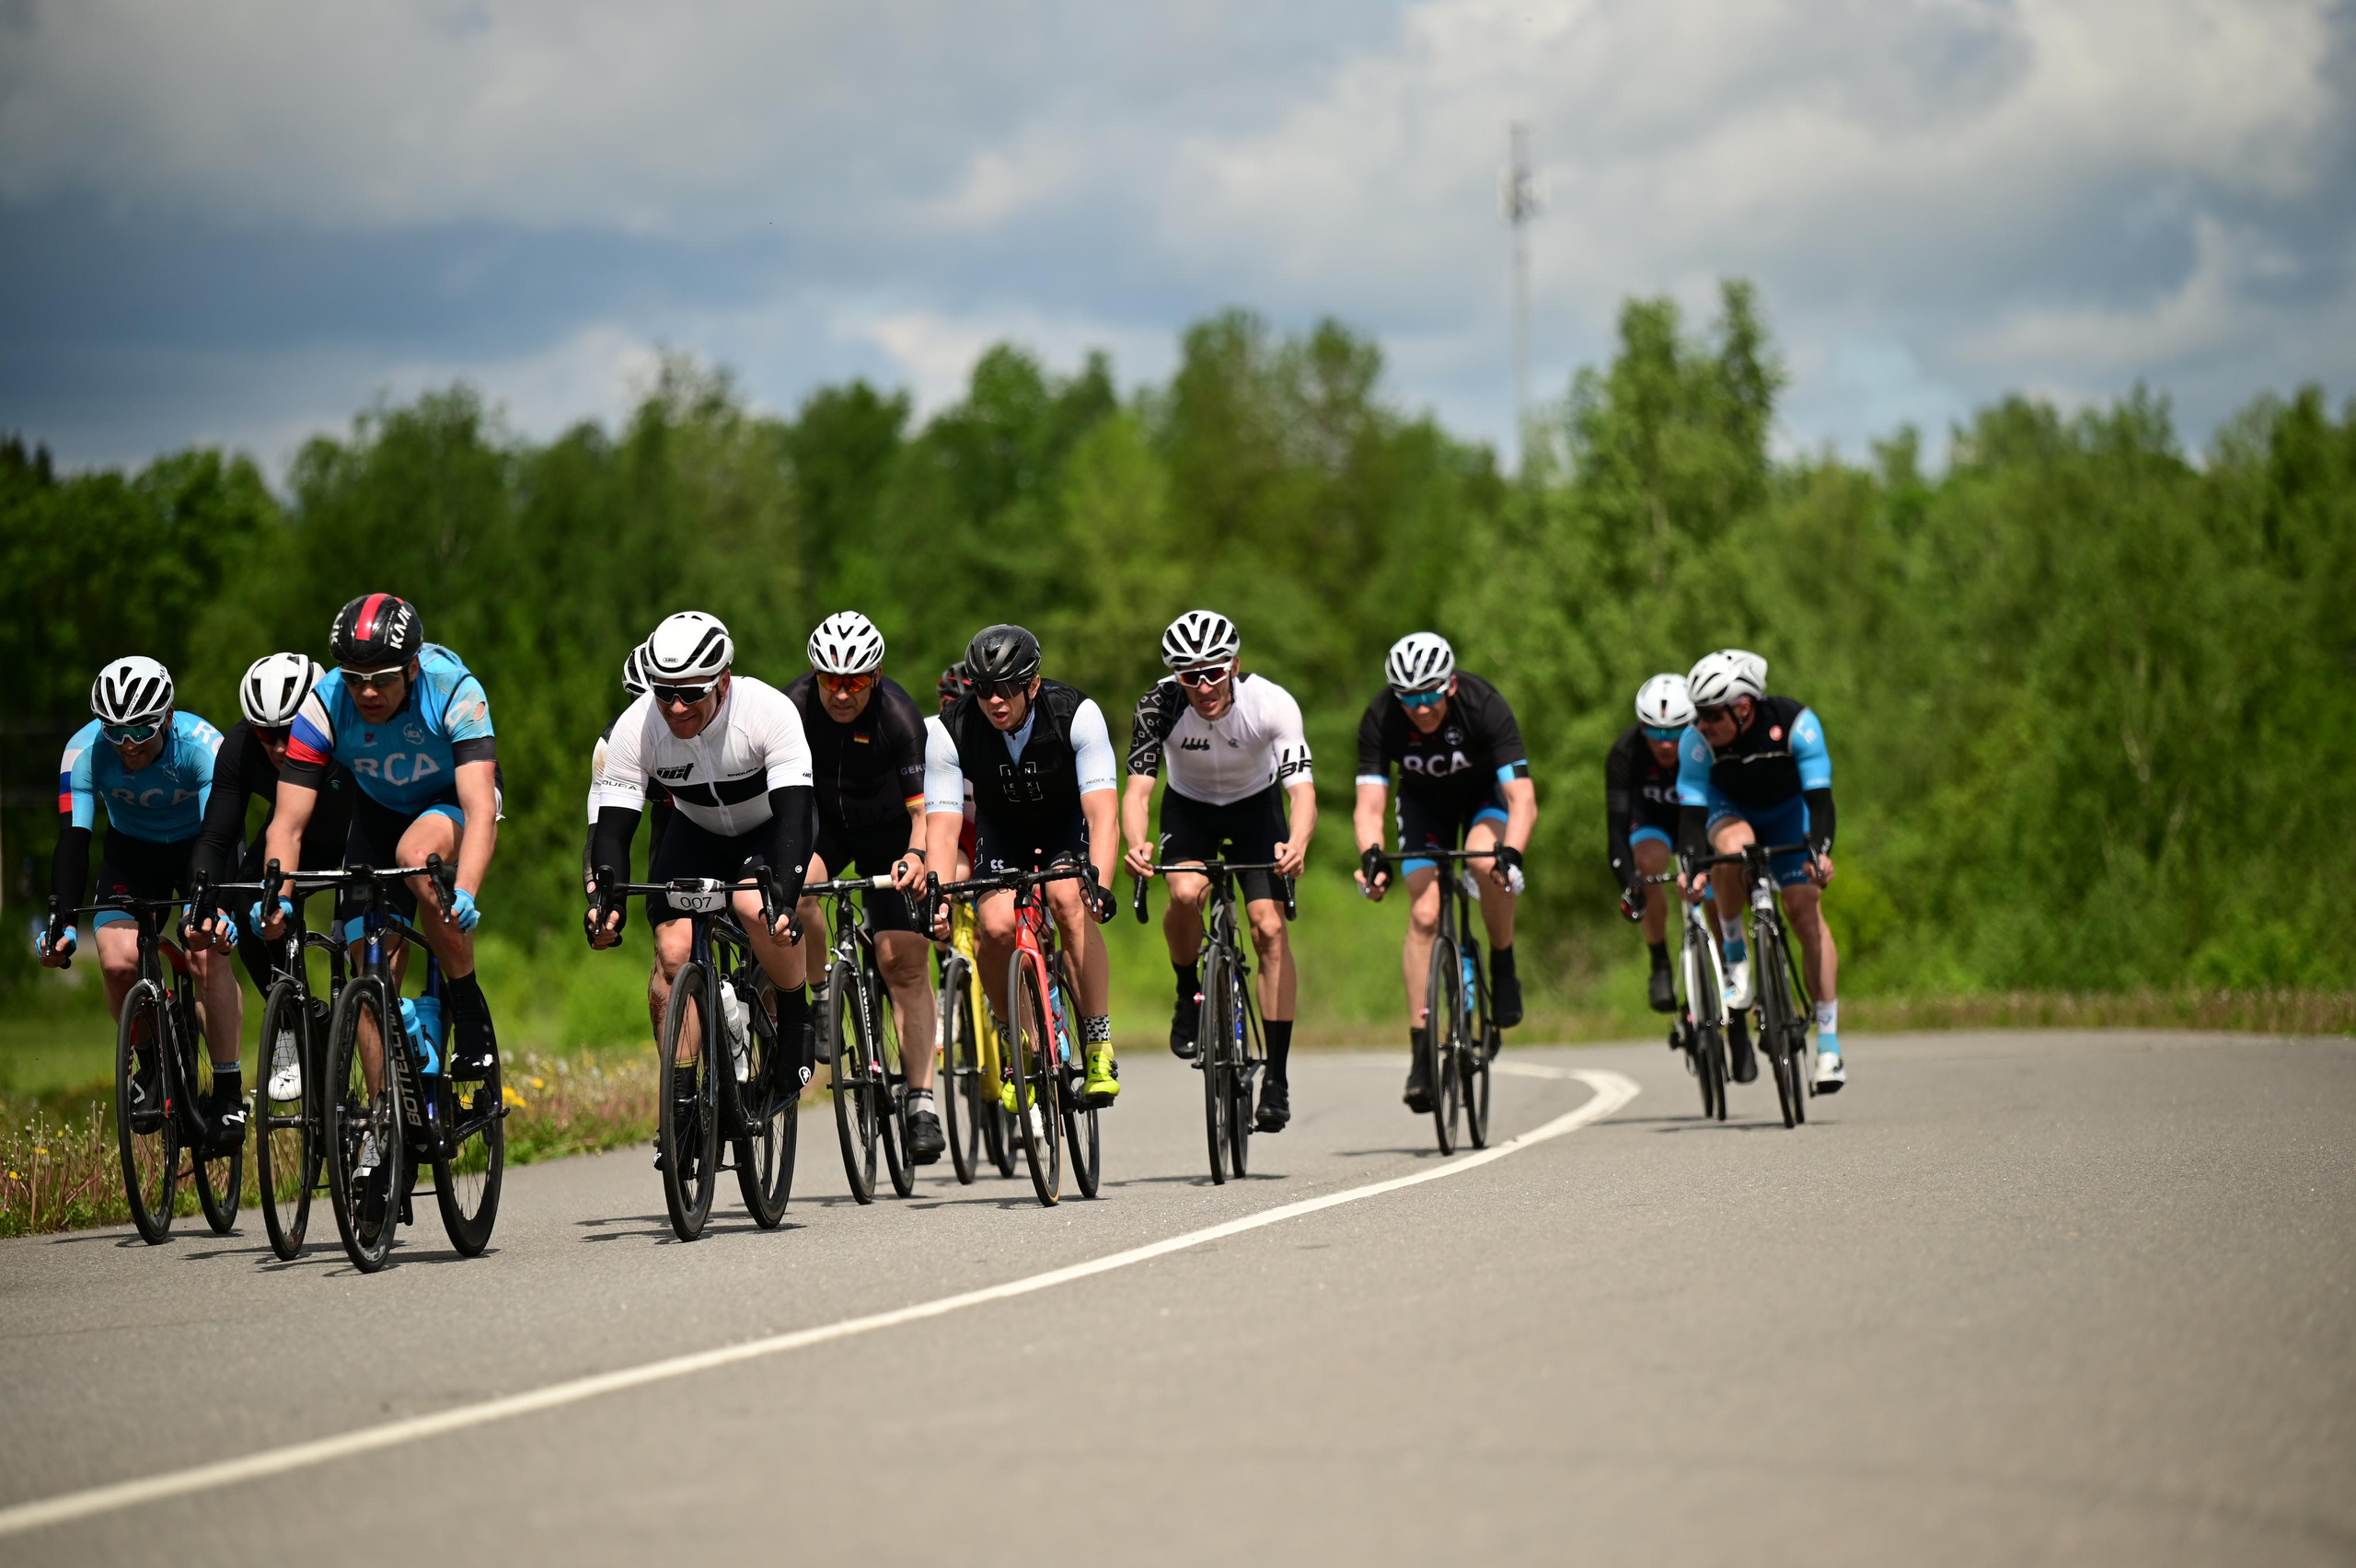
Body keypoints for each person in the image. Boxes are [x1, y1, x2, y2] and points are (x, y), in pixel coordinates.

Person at [259, 594, 503, 1147]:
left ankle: (467, 1010)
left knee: (417, 856)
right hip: (375, 811)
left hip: (450, 803)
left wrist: (464, 890)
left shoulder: (454, 689)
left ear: (412, 667)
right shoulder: (323, 705)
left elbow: (481, 810)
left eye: (383, 679)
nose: (367, 692)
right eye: (355, 678)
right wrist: (278, 890)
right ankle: (383, 1122)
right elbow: (288, 823)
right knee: (368, 968)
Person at [586, 611, 818, 1136]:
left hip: (767, 826)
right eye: (664, 691)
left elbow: (796, 816)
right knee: (671, 954)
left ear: (723, 681)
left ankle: (795, 1009)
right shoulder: (638, 727)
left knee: (753, 908)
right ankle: (686, 1094)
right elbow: (613, 830)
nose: (675, 706)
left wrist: (784, 894)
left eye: (691, 692)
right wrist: (606, 900)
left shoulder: (767, 712)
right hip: (695, 831)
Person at [1121, 610, 1315, 1132]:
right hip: (1191, 809)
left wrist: (1297, 843)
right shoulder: (1157, 705)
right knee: (1184, 893)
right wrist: (1135, 843)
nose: (1203, 686)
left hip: (1258, 809)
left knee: (1269, 930)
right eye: (1189, 675)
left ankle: (1275, 1075)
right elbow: (1138, 790)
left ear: (1234, 664)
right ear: (1175, 676)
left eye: (1213, 671)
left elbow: (1302, 791)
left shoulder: (1270, 704)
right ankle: (1188, 993)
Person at [40, 658, 243, 1142]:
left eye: (141, 729)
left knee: (204, 954)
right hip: (130, 854)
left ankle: (230, 1093)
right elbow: (73, 839)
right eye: (115, 730)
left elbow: (222, 833)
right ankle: (152, 1063)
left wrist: (216, 909)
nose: (128, 743)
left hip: (200, 846)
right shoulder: (84, 752)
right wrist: (61, 919)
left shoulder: (202, 747)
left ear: (168, 717)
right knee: (116, 962)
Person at [922, 624, 1121, 1107]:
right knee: (993, 928)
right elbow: (944, 830)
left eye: (1009, 688)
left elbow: (1103, 813)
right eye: (986, 689)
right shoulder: (951, 729)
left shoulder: (1076, 713)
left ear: (1033, 684)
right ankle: (1019, 1048)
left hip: (1062, 824)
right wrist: (938, 895)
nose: (995, 701)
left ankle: (1098, 1044)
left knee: (1068, 901)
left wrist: (1100, 882)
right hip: (1003, 829)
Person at [1353, 631, 1537, 1112]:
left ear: (1451, 685)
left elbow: (1521, 798)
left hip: (1483, 801)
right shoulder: (1381, 716)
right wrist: (1372, 856)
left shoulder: (1484, 705)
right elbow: (1370, 804)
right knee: (1424, 914)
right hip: (1422, 807)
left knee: (1483, 860)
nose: (1420, 706)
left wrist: (1511, 852)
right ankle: (1420, 1053)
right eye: (1408, 696)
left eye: (1430, 693)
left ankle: (1503, 959)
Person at [782, 610, 941, 1163]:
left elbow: (922, 816)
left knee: (904, 964)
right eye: (831, 680)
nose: (842, 693)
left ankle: (921, 1103)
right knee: (801, 889)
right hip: (826, 831)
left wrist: (918, 857)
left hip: (890, 836)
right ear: (815, 675)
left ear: (874, 677)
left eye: (854, 682)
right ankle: (823, 994)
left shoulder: (899, 717)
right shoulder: (793, 708)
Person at [1675, 649, 1844, 1090]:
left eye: (1711, 716)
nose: (1702, 727)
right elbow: (1691, 820)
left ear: (1744, 707)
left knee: (1806, 913)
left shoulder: (1796, 725)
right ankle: (1737, 961)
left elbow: (1821, 804)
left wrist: (1820, 852)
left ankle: (1829, 1046)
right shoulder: (1695, 742)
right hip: (1730, 812)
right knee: (1734, 849)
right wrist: (1692, 869)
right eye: (1697, 716)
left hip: (1789, 816)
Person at [191, 651, 356, 1102]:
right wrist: (202, 898)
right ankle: (293, 1018)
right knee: (246, 905)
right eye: (268, 735)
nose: (281, 747)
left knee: (361, 935)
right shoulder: (241, 746)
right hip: (290, 837)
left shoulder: (348, 729)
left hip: (353, 835)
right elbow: (217, 833)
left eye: (291, 731)